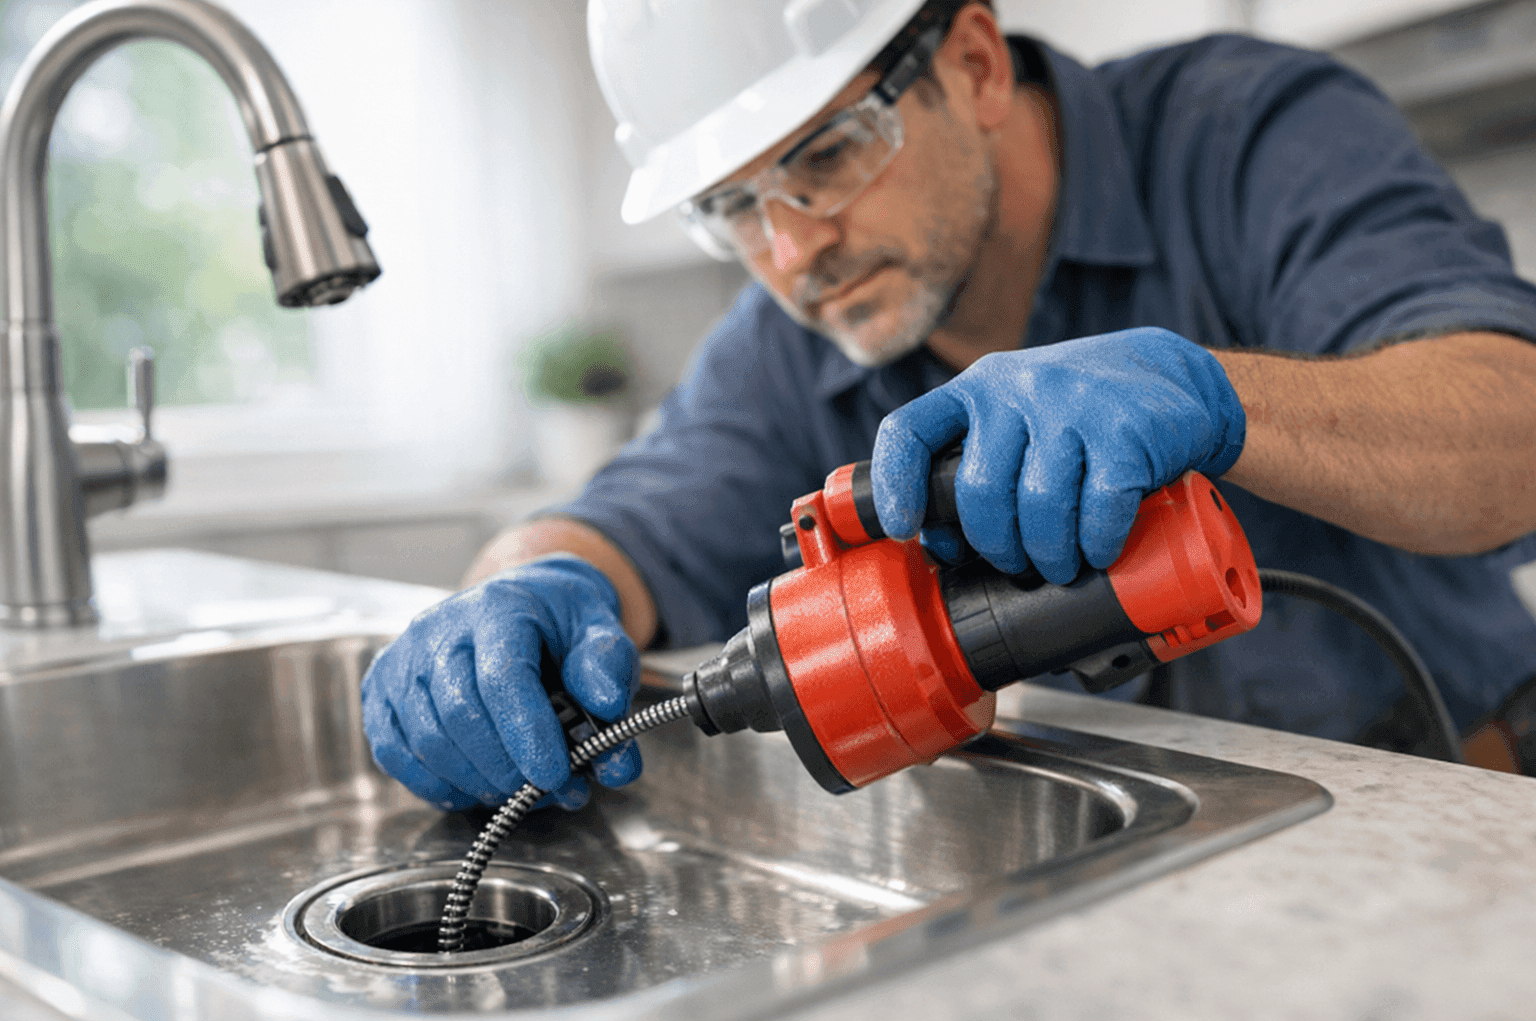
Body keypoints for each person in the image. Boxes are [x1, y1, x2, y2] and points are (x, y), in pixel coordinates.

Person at [361, 0, 1536, 811]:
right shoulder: (787, 341)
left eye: (826, 156)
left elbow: (1514, 423)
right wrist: (514, 596)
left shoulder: (1245, 134)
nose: (791, 252)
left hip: (1457, 798)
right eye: (732, 207)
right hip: (1155, 850)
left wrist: (1219, 396)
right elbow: (622, 518)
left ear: (974, 62)